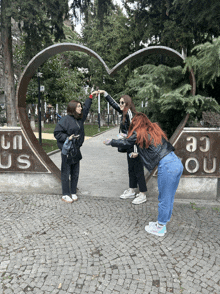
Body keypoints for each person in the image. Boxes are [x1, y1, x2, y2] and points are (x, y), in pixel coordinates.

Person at [103, 112, 183, 236]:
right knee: (168, 197)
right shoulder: (153, 130)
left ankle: (161, 227)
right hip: (175, 163)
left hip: (167, 167)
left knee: (164, 199)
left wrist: (110, 142)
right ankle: (161, 223)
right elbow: (153, 149)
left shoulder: (140, 132)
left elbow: (126, 143)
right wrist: (138, 153)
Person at [98, 90, 147, 205]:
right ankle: (131, 190)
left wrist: (136, 151)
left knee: (138, 170)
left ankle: (143, 194)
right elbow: (114, 104)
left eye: (122, 103)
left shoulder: (131, 115)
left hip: (135, 147)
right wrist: (105, 93)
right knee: (131, 169)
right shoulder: (124, 112)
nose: (120, 105)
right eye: (120, 102)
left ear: (128, 104)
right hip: (129, 145)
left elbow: (136, 134)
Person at [54, 92, 97, 203]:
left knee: (75, 172)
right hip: (67, 150)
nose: (81, 108)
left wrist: (90, 97)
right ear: (73, 108)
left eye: (80, 106)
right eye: (78, 106)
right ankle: (65, 194)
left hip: (76, 150)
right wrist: (68, 137)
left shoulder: (80, 119)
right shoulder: (65, 120)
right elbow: (57, 133)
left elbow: (86, 109)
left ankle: (73, 192)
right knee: (66, 172)